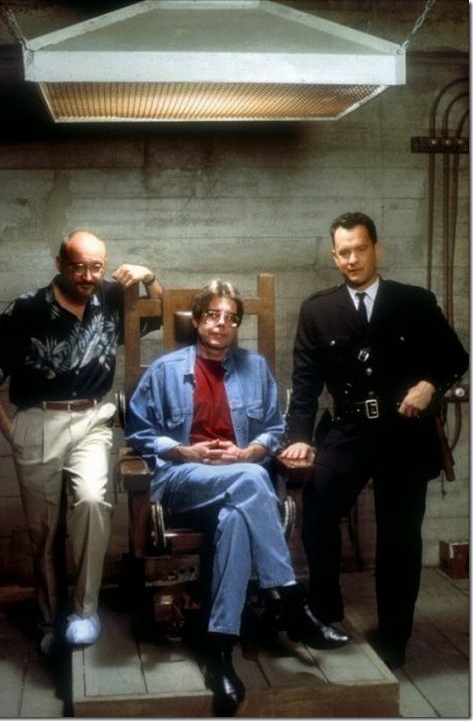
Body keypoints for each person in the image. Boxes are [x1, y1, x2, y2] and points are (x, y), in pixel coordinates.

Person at [125, 278, 349, 716]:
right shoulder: (166, 370)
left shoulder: (255, 368)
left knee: (235, 519)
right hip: (183, 480)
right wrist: (183, 450)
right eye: (213, 315)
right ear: (197, 320)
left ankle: (219, 652)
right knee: (251, 479)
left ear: (236, 326)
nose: (221, 324)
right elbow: (138, 430)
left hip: (240, 487)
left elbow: (274, 427)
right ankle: (291, 599)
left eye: (231, 318)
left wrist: (249, 452)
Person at [281, 211, 469, 670]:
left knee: (400, 535)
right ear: (334, 256)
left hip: (404, 431)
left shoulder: (413, 301)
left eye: (360, 249)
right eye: (343, 252)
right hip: (348, 430)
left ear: (376, 249)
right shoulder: (317, 310)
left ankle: (395, 636)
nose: (352, 259)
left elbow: (455, 357)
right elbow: (304, 384)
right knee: (318, 512)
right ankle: (325, 612)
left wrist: (429, 385)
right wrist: (300, 437)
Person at [0, 229, 163, 653]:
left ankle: (84, 611)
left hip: (93, 419)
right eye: (78, 267)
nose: (88, 276)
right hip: (39, 421)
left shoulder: (111, 298)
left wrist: (149, 276)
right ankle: (49, 620)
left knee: (93, 501)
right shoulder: (26, 309)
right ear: (59, 264)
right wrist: (9, 429)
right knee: (44, 531)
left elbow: (159, 315)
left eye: (96, 267)